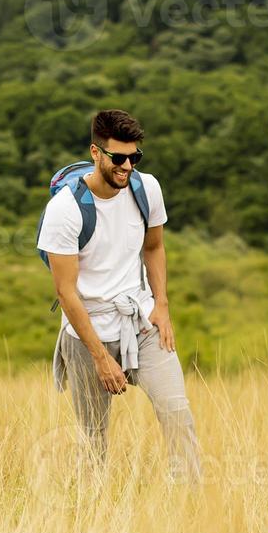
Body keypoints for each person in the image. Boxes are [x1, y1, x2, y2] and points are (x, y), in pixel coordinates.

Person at [37, 109, 201, 480]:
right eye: (118, 158)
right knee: (94, 439)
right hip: (87, 333)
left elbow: (154, 247)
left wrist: (162, 306)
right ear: (96, 153)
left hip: (140, 320)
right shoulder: (65, 210)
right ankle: (93, 517)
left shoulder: (147, 188)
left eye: (135, 157)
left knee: (178, 414)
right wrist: (100, 357)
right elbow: (66, 293)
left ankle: (192, 507)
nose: (128, 166)